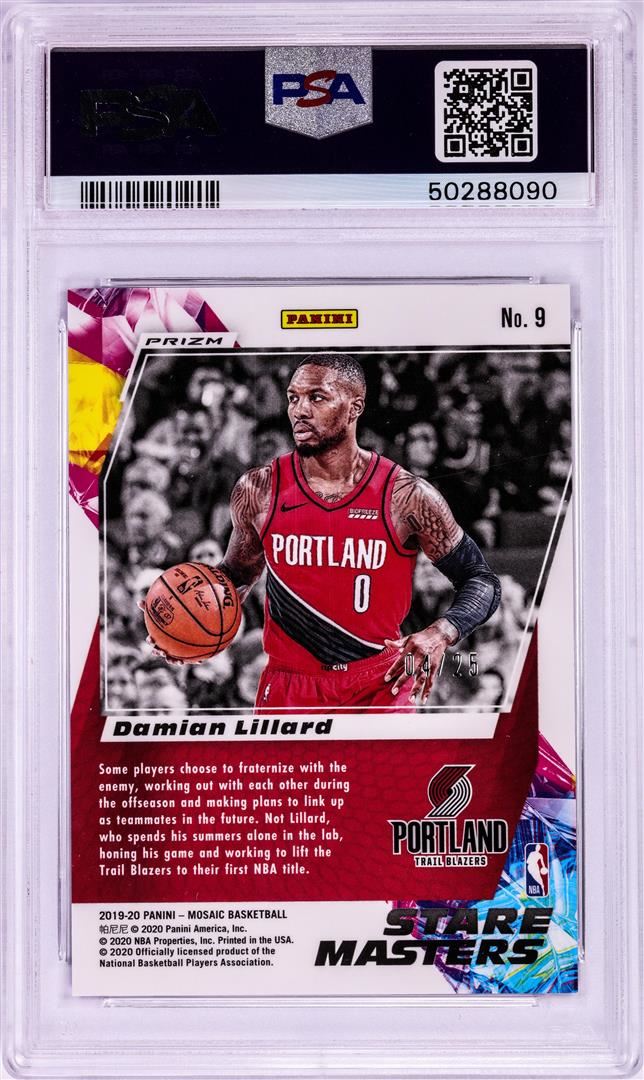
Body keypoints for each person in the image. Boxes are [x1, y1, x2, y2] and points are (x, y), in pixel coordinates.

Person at [150, 353, 501, 709]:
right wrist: (179, 624)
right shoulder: (258, 489)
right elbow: (236, 575)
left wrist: (442, 632)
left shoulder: (406, 495)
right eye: (293, 398)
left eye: (317, 397)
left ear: (354, 407)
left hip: (378, 683)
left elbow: (481, 580)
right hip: (290, 685)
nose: (300, 410)